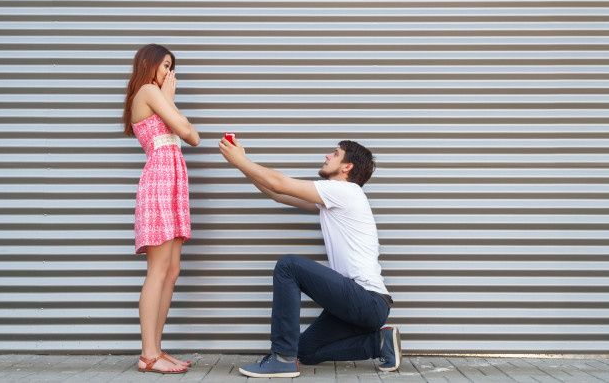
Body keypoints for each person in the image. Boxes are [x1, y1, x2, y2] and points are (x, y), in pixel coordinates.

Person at [218, 137, 401, 378]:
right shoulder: (335, 198)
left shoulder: (344, 190)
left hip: (367, 300)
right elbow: (278, 194)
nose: (327, 156)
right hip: (361, 306)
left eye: (335, 154)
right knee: (306, 350)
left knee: (288, 266)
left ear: (347, 167)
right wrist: (240, 164)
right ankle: (378, 342)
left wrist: (241, 159)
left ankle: (282, 359)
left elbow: (280, 183)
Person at [123, 44, 200, 374]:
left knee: (172, 269)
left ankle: (157, 348)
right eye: (165, 65)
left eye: (172, 67)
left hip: (173, 183)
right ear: (149, 65)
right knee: (158, 269)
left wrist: (171, 103)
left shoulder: (160, 97)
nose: (170, 72)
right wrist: (169, 98)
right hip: (158, 181)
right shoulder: (148, 91)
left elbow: (190, 134)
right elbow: (188, 132)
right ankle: (148, 354)